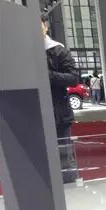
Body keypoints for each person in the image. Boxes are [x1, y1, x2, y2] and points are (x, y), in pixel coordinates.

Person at [41, 14, 79, 183]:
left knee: (64, 155)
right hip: (34, 112)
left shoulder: (58, 50)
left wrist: (50, 76)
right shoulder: (23, 51)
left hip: (59, 112)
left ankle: (70, 188)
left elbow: (73, 77)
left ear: (46, 27)